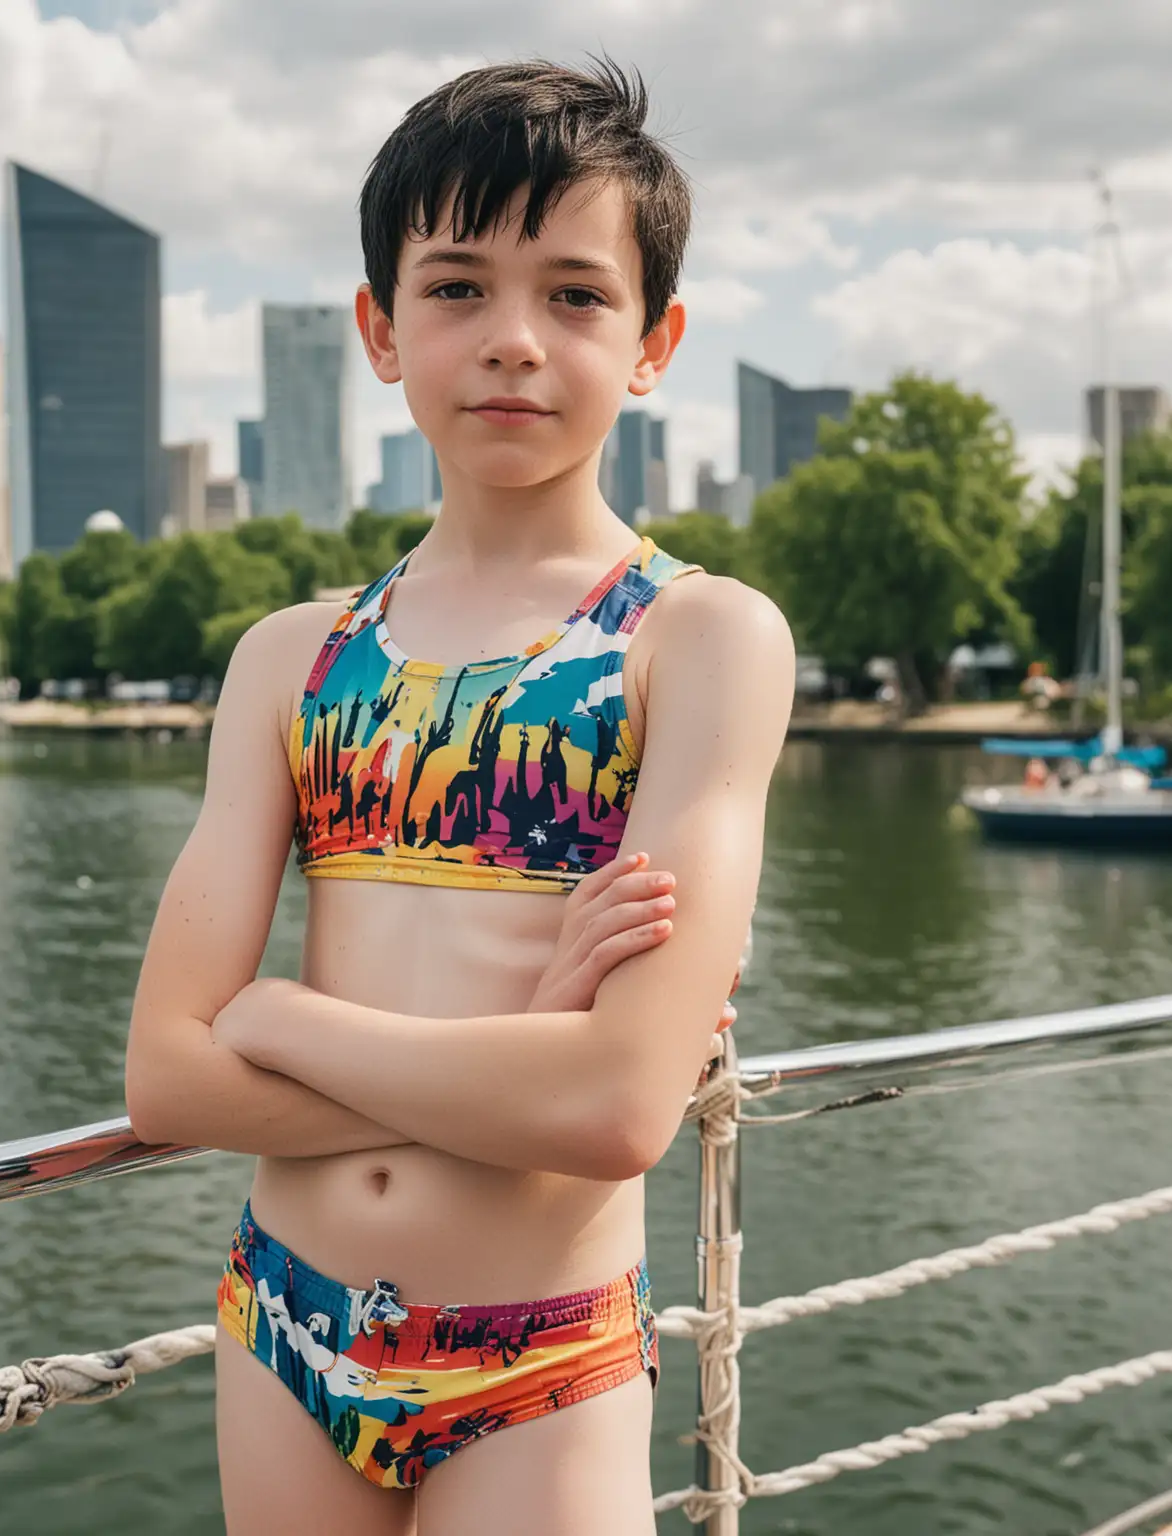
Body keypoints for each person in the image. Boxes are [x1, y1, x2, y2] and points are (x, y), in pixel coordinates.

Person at [124, 58, 794, 1536]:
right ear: (380, 329)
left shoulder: (698, 641)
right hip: (283, 1327)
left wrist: (284, 1017)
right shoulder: (291, 659)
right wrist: (526, 1044)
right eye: (455, 288)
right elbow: (168, 1079)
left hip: (536, 1362)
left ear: (652, 341)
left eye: (573, 295)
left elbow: (617, 1107)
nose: (512, 342)